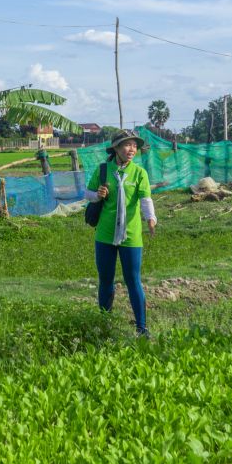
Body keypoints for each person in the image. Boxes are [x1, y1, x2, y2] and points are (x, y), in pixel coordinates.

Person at [85, 130, 157, 336]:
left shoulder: (139, 173)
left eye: (134, 145)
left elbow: (145, 199)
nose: (131, 149)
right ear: (116, 148)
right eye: (126, 145)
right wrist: (97, 195)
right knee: (106, 280)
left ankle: (142, 327)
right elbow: (87, 194)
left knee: (133, 279)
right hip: (105, 234)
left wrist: (151, 218)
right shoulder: (103, 170)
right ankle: (104, 323)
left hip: (131, 235)